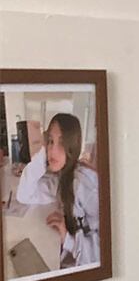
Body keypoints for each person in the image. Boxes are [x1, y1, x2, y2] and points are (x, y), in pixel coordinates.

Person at [15, 113, 100, 269]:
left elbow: (104, 250)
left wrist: (68, 239)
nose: (52, 150)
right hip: (67, 258)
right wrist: (42, 153)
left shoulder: (85, 184)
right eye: (50, 141)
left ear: (72, 146)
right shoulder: (61, 178)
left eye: (61, 143)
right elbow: (24, 195)